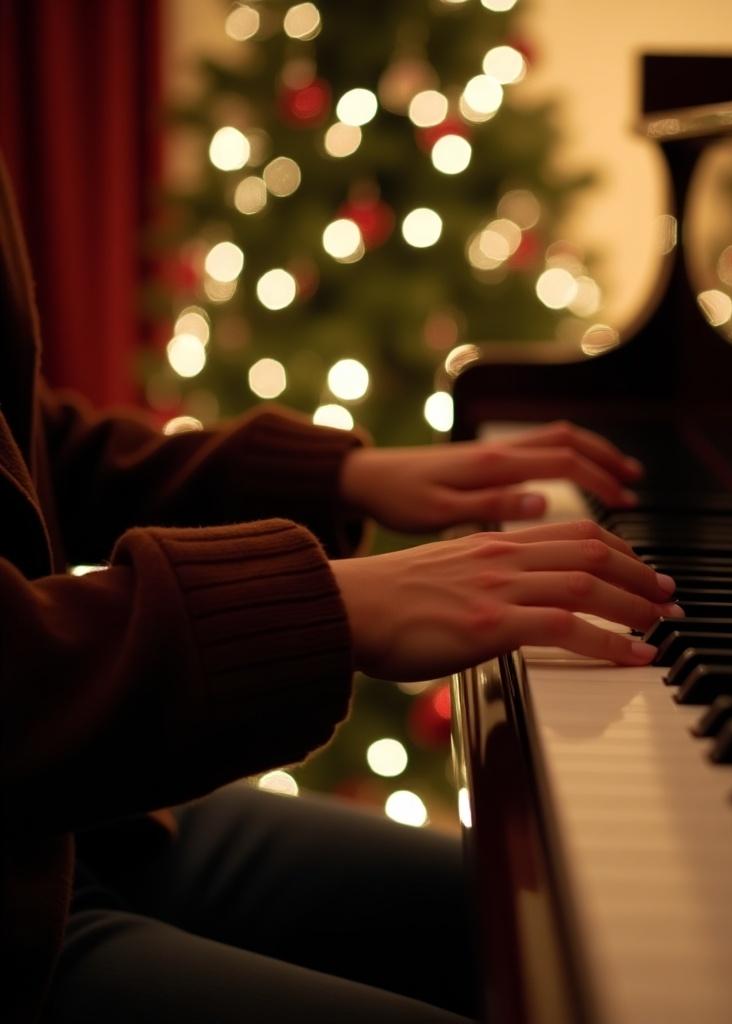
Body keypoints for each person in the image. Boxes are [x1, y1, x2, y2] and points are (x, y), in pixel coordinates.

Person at [0, 154, 682, 1024]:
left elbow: (30, 438)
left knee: (574, 934)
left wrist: (346, 475)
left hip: (84, 818)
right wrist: (319, 604)